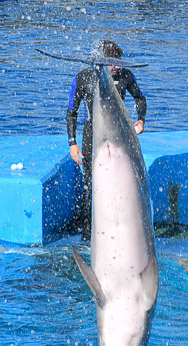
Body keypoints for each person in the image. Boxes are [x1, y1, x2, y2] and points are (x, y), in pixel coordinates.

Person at [65, 40, 147, 240]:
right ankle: (87, 233)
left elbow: (140, 98)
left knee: (119, 182)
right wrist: (72, 143)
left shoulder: (125, 75)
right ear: (101, 62)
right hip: (92, 137)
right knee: (90, 184)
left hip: (119, 137)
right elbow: (71, 112)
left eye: (118, 62)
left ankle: (118, 229)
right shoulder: (84, 77)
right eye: (111, 63)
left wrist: (141, 120)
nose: (116, 66)